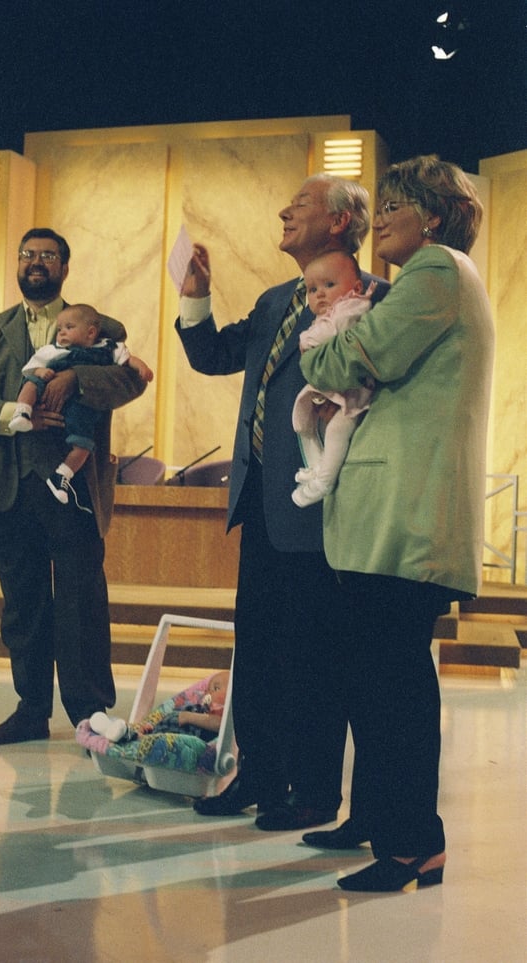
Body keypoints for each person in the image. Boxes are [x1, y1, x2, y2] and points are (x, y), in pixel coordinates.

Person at [299, 156, 494, 890]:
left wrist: (329, 339)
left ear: (434, 216)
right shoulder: (429, 276)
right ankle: (385, 824)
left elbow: (354, 357)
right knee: (380, 682)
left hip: (404, 521)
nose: (380, 219)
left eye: (395, 207)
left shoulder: (436, 272)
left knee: (396, 692)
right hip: (394, 519)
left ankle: (415, 843)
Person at [176, 175, 389, 831]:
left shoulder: (378, 298)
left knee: (315, 655)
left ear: (337, 223)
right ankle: (261, 772)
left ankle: (316, 790)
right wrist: (195, 296)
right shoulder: (277, 300)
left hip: (324, 506)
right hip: (262, 503)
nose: (282, 212)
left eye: (298, 205)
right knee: (261, 649)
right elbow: (214, 354)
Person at [0, 228, 148, 745]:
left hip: (72, 486)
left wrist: (76, 381)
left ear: (64, 266)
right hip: (9, 488)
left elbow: (130, 381)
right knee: (23, 606)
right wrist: (8, 416)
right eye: (28, 254)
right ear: (18, 264)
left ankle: (91, 715)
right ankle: (31, 709)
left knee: (82, 602)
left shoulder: (97, 325)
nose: (36, 262)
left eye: (48, 256)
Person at [8, 302, 153, 507]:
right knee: (32, 383)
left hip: (83, 414)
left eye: (68, 328)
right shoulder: (52, 350)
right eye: (59, 330)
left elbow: (129, 368)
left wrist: (142, 367)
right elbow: (31, 368)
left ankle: (62, 476)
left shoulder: (108, 342)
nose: (62, 333)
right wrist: (41, 373)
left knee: (83, 445)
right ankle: (21, 412)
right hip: (16, 476)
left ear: (91, 332)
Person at [291, 251, 376, 507]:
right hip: (332, 389)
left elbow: (329, 334)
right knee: (304, 425)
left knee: (338, 429)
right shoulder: (330, 313)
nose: (320, 294)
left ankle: (325, 479)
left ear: (356, 287)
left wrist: (306, 340)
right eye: (312, 289)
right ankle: (317, 467)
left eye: (329, 285)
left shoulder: (354, 306)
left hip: (355, 391)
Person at [88, 670, 230, 743]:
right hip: (163, 731)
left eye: (216, 689)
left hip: (178, 741)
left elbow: (218, 724)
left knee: (150, 741)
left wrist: (187, 717)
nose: (208, 692)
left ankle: (122, 733)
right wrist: (153, 727)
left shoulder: (223, 720)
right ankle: (111, 727)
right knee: (144, 732)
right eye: (207, 689)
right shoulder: (199, 707)